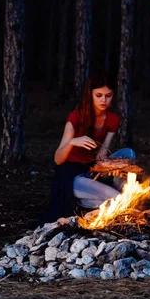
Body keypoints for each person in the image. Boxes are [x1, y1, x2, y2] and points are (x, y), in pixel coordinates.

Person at [42, 73, 135, 223]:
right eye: (98, 95)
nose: (103, 100)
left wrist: (113, 168)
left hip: (92, 170)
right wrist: (72, 142)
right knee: (119, 199)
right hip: (72, 176)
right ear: (90, 95)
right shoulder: (76, 117)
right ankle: (93, 203)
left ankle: (99, 203)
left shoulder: (113, 119)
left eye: (108, 95)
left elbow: (101, 156)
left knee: (128, 153)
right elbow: (57, 159)